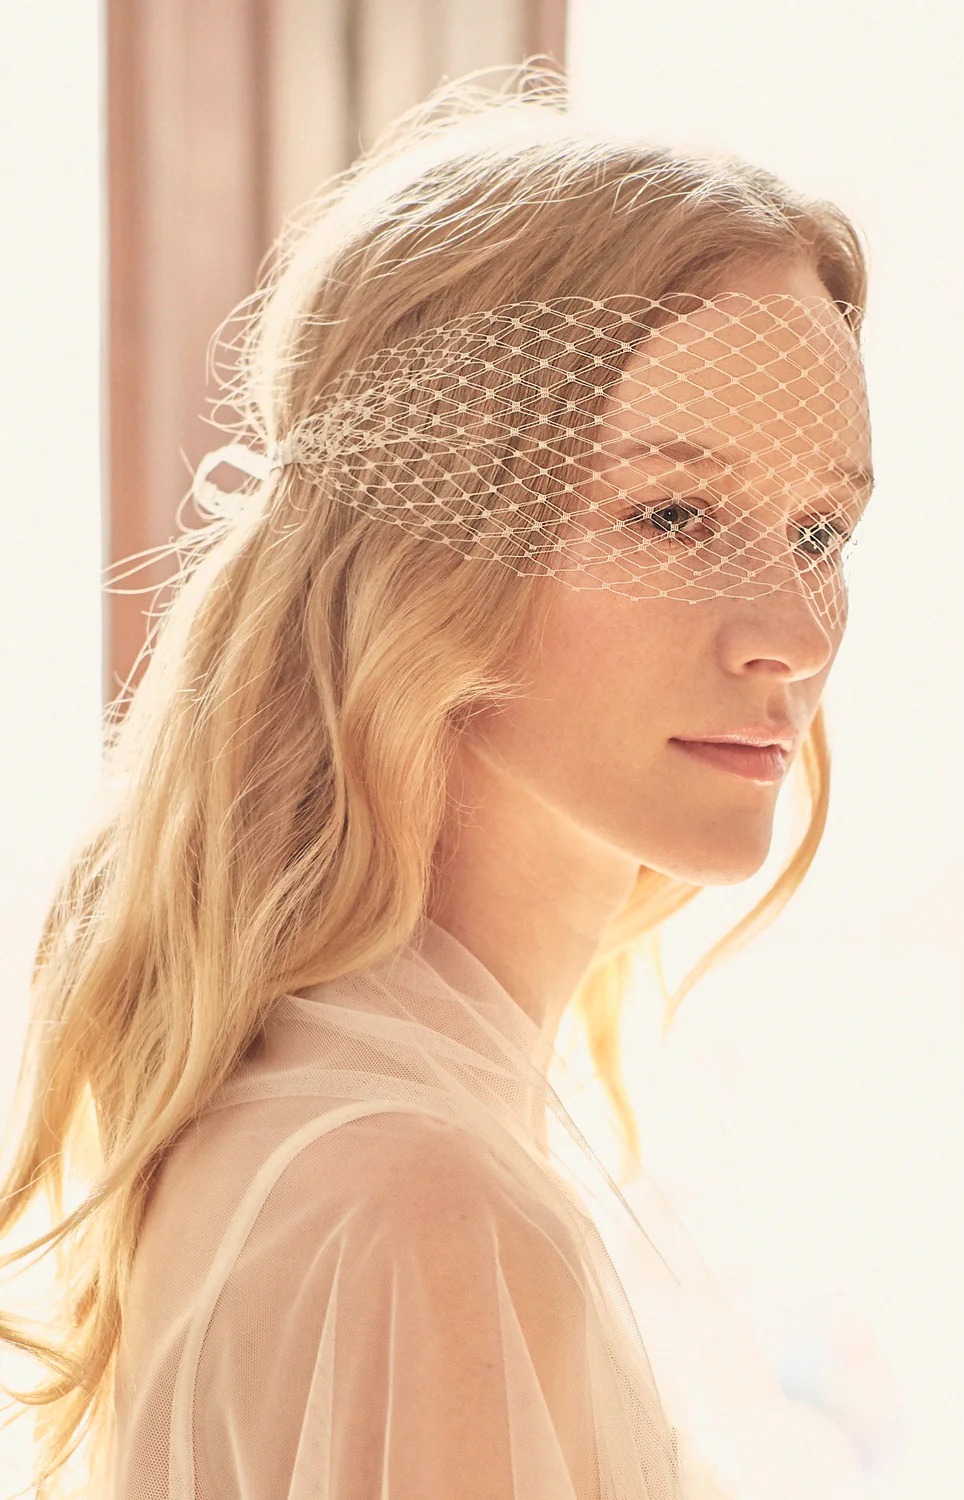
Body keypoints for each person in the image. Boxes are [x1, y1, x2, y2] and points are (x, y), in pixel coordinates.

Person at [0, 63, 874, 1499]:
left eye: (823, 534)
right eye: (673, 513)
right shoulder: (426, 1210)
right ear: (430, 555)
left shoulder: (330, 1120)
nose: (788, 635)